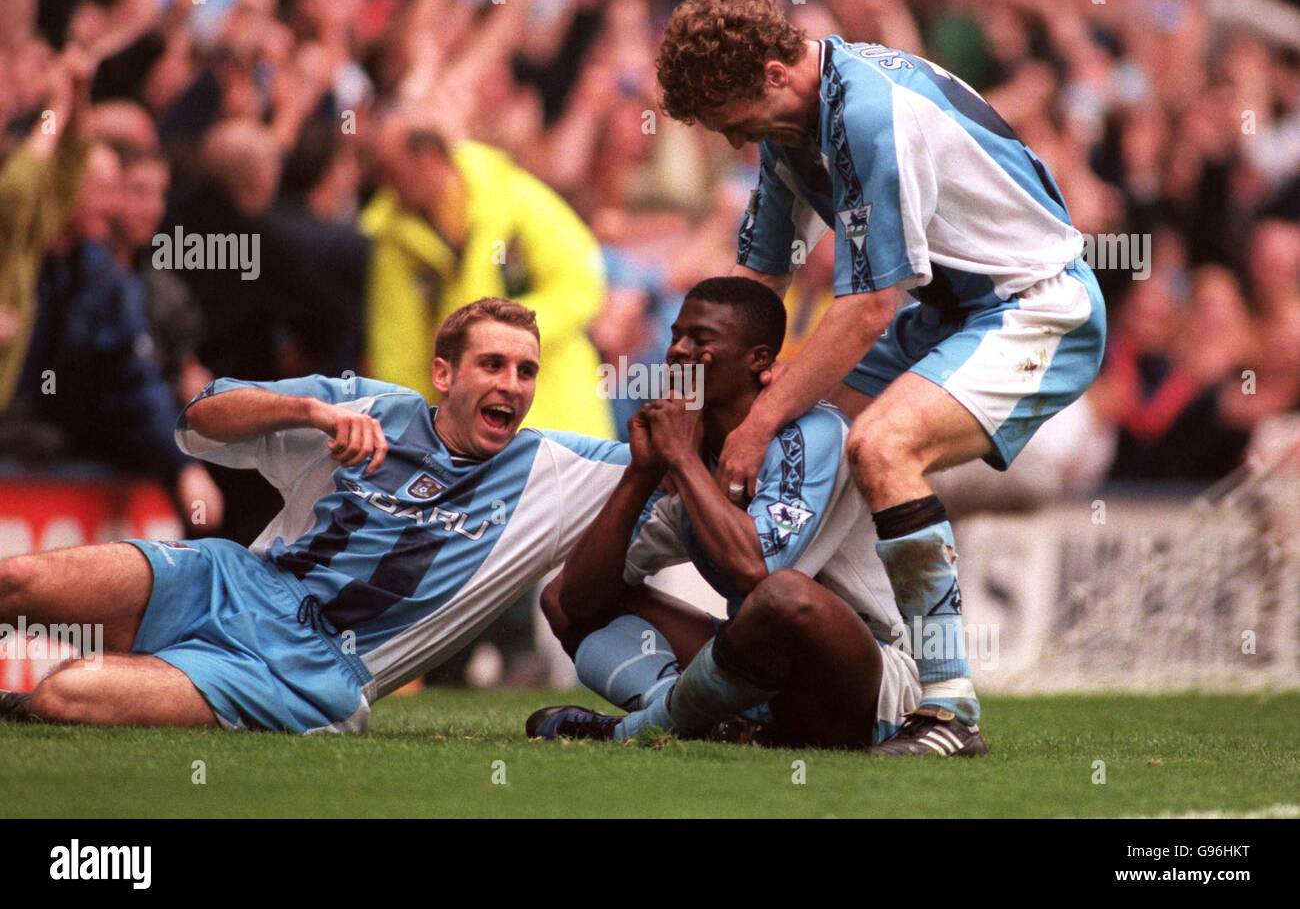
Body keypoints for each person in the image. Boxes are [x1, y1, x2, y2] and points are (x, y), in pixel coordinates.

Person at [654, 0, 1106, 755]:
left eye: (732, 121)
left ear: (771, 72)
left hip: (1035, 308)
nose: (734, 143)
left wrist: (756, 424)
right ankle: (832, 660)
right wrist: (703, 405)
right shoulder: (793, 123)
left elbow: (865, 309)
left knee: (882, 447)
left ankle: (949, 709)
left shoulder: (868, 114)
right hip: (950, 315)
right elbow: (755, 290)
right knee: (815, 431)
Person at [0, 298, 631, 732]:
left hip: (308, 668)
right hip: (235, 580)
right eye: (492, 365)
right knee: (17, 581)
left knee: (66, 694)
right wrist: (311, 412)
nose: (512, 384)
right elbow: (199, 416)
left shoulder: (551, 469)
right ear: (444, 373)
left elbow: (664, 462)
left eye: (526, 371)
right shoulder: (372, 407)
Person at [527, 277, 935, 752]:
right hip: (758, 670)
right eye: (676, 335)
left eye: (701, 340)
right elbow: (574, 600)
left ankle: (646, 727)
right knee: (561, 600)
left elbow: (755, 571)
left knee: (783, 597)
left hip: (869, 681)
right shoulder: (689, 449)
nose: (678, 351)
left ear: (758, 359)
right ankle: (692, 714)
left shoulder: (814, 433)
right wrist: (641, 474)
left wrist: (680, 459)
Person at [363, 117, 614, 439]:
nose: (384, 184)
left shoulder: (514, 197)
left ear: (428, 158)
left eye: (391, 170)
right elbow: (396, 348)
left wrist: (502, 337)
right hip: (468, 431)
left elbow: (580, 284)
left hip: (560, 414)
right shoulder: (393, 236)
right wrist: (413, 434)